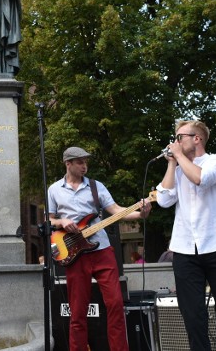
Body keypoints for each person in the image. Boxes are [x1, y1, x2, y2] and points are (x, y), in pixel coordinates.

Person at [48, 146, 152, 351]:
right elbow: (49, 220)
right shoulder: (54, 189)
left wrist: (140, 214)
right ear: (68, 164)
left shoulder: (97, 186)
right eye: (79, 162)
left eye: (86, 162)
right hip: (74, 253)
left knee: (115, 304)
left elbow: (116, 211)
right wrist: (61, 222)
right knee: (77, 311)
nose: (84, 166)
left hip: (102, 249)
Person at [156, 120, 216, 351]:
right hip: (185, 250)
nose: (175, 142)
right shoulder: (177, 170)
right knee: (193, 318)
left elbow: (200, 178)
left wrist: (180, 158)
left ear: (197, 138)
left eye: (179, 137)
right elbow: (164, 199)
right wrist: (172, 163)